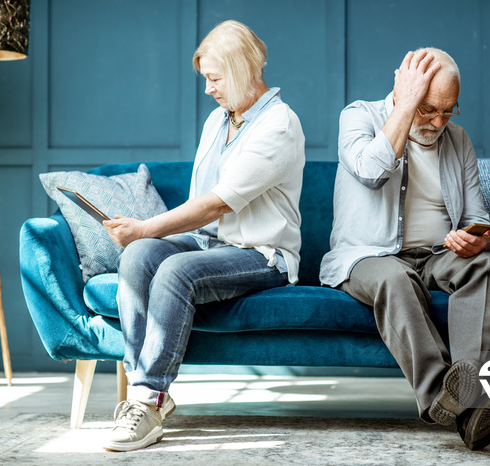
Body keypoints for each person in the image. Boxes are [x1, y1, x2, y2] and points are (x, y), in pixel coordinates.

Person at [102, 20, 305, 452]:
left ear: (242, 69)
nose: (209, 89)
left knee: (175, 271)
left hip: (260, 254)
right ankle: (143, 393)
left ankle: (148, 399)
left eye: (215, 78)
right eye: (206, 80)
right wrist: (141, 238)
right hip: (207, 244)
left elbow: (216, 202)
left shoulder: (279, 125)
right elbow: (202, 208)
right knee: (138, 256)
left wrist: (144, 226)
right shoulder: (217, 120)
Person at [319, 48, 490, 451]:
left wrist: (474, 239)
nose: (438, 122)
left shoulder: (457, 139)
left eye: (448, 111)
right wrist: (405, 107)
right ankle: (446, 398)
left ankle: (464, 391)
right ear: (403, 87)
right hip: (367, 256)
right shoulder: (358, 117)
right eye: (428, 109)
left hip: (437, 255)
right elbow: (372, 172)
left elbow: (476, 216)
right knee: (396, 277)